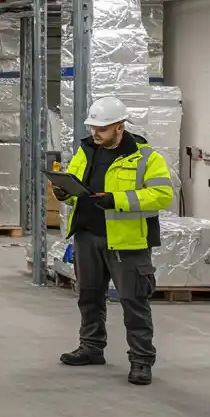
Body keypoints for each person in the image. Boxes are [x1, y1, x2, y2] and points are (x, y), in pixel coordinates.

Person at [52, 96, 173, 386]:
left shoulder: (146, 158)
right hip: (86, 236)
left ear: (120, 127)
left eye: (102, 128)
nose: (96, 133)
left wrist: (115, 200)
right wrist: (64, 193)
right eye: (93, 127)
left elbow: (162, 195)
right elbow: (77, 185)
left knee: (134, 301)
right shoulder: (86, 151)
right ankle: (92, 347)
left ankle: (141, 360)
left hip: (126, 243)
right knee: (89, 296)